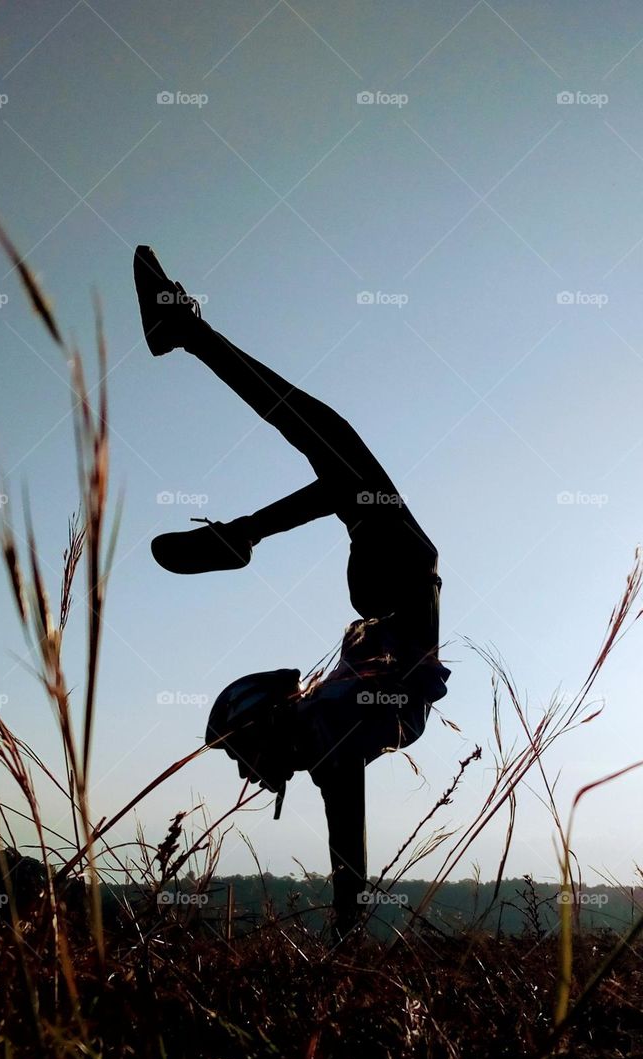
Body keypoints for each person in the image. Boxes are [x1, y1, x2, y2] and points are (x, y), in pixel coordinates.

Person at [133, 245, 451, 937]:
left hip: (389, 585)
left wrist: (348, 926)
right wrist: (347, 926)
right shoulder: (331, 744)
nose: (288, 696)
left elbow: (349, 850)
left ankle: (189, 340)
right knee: (331, 445)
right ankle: (188, 337)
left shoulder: (326, 741)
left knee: (333, 452)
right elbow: (350, 849)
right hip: (398, 586)